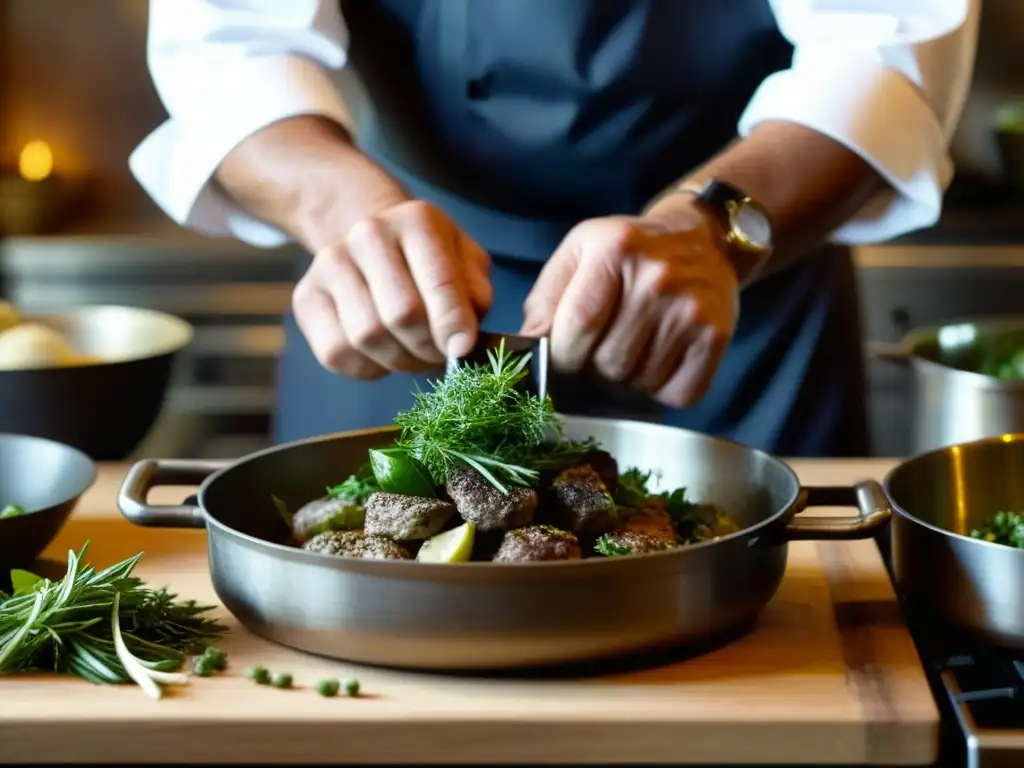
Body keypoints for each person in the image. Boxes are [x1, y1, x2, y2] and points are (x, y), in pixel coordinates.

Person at [131, 0, 979, 457]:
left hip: (737, 279)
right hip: (410, 291)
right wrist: (346, 213)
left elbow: (889, 44)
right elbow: (229, 43)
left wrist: (715, 229)